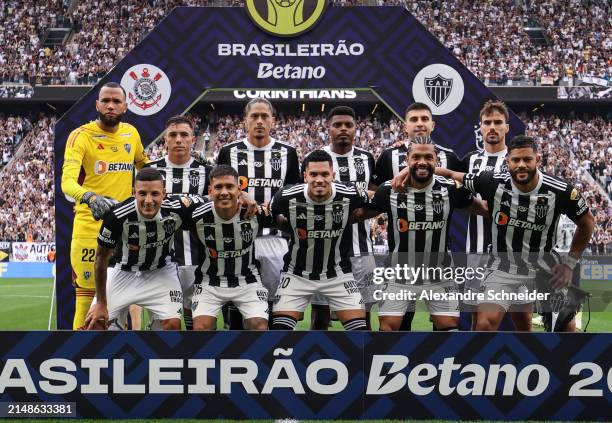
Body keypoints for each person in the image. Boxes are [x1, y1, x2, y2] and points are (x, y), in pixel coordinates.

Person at [437, 135, 595, 331]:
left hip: (544, 267)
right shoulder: (491, 182)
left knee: (566, 326)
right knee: (484, 323)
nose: (521, 165)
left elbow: (587, 222)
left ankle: (561, 358)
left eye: (527, 159)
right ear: (507, 162)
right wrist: (408, 173)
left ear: (537, 160)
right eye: (516, 160)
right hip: (502, 267)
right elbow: (451, 175)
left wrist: (569, 265)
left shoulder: (561, 191)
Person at [355, 137, 485, 331]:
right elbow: (360, 214)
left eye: (428, 157)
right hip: (399, 275)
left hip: (439, 274)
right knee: (388, 328)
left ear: (436, 161)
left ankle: (443, 362)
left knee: (449, 327)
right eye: (416, 157)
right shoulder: (389, 190)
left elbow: (483, 209)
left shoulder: (451, 189)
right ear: (407, 161)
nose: (422, 161)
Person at [61, 82, 148, 329]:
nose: (111, 105)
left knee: (128, 300)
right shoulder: (80, 136)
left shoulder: (131, 133)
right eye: (106, 101)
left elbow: (145, 165)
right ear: (97, 104)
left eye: (116, 101)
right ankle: (77, 358)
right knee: (86, 302)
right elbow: (67, 182)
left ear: (125, 106)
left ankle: (125, 360)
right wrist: (90, 198)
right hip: (89, 229)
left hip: (125, 230)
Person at [372, 101, 463, 331]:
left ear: (433, 124)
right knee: (400, 324)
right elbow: (377, 194)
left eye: (424, 119)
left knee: (444, 324)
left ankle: (439, 366)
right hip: (401, 256)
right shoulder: (387, 156)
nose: (419, 124)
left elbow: (460, 187)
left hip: (438, 257)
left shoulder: (450, 157)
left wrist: (405, 172)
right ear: (405, 125)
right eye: (414, 119)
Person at [217, 98, 301, 329]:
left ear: (273, 121)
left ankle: (272, 356)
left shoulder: (288, 153)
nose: (260, 121)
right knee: (236, 301)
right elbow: (214, 191)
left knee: (274, 305)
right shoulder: (228, 152)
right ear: (245, 121)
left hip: (274, 239)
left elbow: (295, 198)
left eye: (265, 116)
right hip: (236, 238)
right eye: (254, 116)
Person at [84, 168, 202, 330]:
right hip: (122, 271)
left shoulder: (178, 208)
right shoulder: (117, 215)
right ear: (134, 193)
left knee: (172, 325)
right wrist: (101, 303)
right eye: (142, 194)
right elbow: (100, 259)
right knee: (96, 323)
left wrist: (243, 197)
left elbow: (211, 200)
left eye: (154, 194)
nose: (148, 200)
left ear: (164, 193)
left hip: (160, 271)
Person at [269, 150, 368, 331]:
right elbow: (267, 215)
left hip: (338, 274)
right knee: (279, 332)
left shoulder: (351, 193)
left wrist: (351, 219)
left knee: (361, 333)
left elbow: (375, 203)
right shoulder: (286, 196)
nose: (319, 179)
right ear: (305, 176)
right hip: (296, 274)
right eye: (313, 174)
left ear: (333, 175)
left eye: (325, 174)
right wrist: (292, 227)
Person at [305, 106, 378, 330]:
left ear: (357, 128)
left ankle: (363, 363)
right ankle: (316, 361)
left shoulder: (367, 159)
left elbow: (376, 201)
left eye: (348, 124)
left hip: (361, 248)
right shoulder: (315, 159)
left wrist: (352, 217)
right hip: (323, 253)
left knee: (362, 316)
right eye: (337, 125)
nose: (343, 129)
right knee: (320, 318)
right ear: (328, 128)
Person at [145, 115, 211, 330]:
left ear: (193, 139)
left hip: (198, 258)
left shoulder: (207, 173)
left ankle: (195, 363)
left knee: (197, 324)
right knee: (165, 323)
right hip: (160, 260)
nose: (179, 140)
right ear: (165, 139)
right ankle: (158, 363)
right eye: (173, 135)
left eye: (184, 135)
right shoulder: (150, 172)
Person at [189, 165, 270, 330]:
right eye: (218, 187)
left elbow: (284, 221)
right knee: (200, 329)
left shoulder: (255, 212)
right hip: (208, 281)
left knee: (259, 327)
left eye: (230, 186)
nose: (224, 192)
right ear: (210, 191)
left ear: (239, 189)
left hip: (248, 280)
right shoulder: (195, 214)